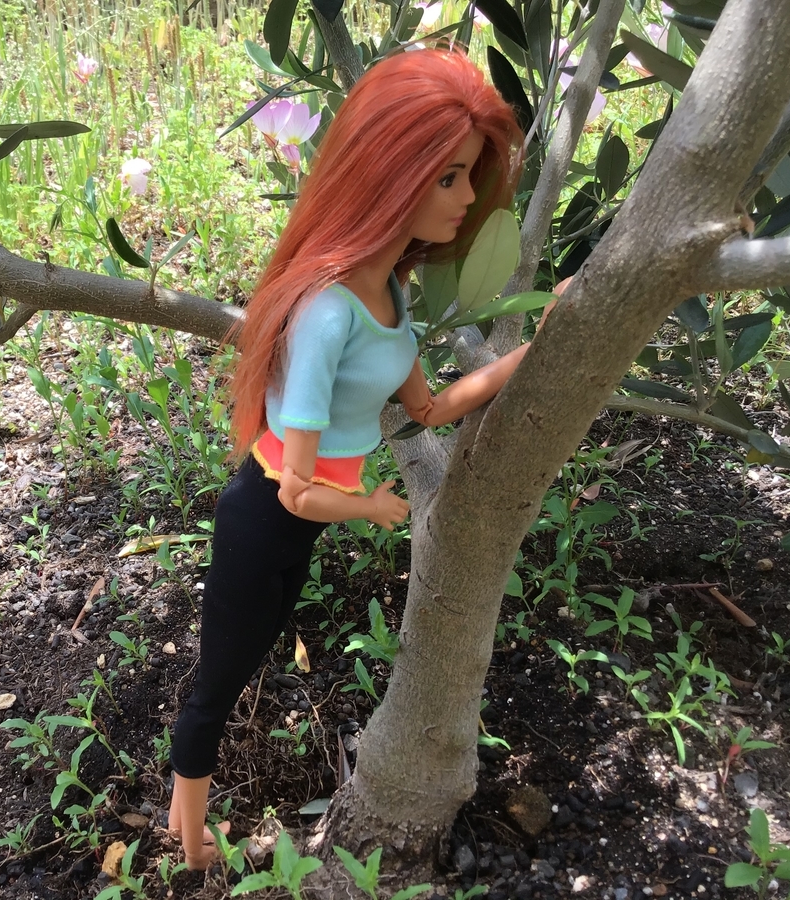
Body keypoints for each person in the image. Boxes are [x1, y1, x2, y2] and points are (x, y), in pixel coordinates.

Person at [167, 46, 547, 869]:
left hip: (294, 530)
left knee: (246, 657)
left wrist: (532, 354)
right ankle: (189, 843)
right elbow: (297, 490)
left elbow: (428, 408)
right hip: (266, 516)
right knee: (217, 686)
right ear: (389, 177)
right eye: (447, 177)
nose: (466, 199)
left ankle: (185, 825)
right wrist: (372, 507)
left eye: (468, 177)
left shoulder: (391, 295)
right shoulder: (327, 315)